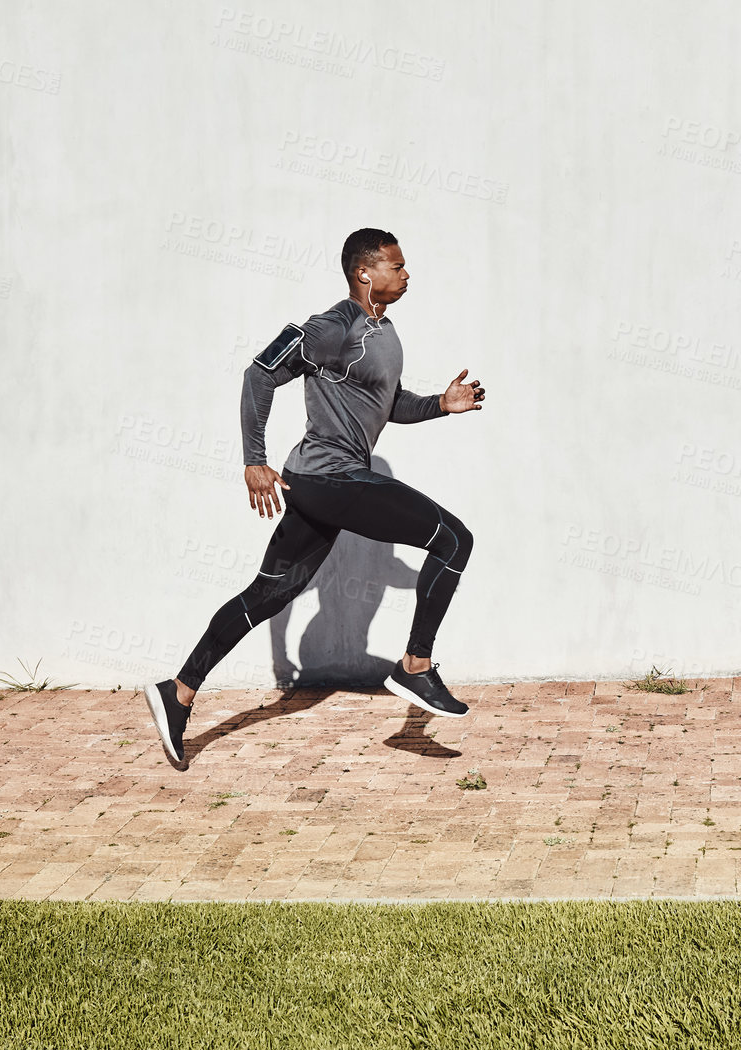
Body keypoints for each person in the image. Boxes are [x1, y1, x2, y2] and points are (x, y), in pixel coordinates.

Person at [143, 228, 485, 768]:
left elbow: (388, 403)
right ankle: (416, 666)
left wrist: (440, 404)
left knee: (268, 595)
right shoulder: (333, 326)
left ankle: (177, 692)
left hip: (322, 485)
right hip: (331, 478)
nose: (406, 273)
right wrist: (254, 459)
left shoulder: (385, 332)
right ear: (364, 273)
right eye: (396, 265)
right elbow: (259, 373)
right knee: (454, 540)